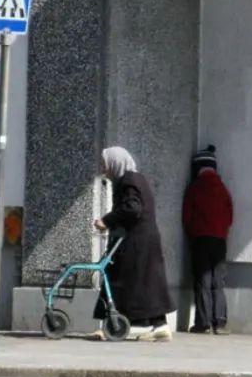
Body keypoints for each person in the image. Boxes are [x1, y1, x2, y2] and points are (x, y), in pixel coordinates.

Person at [94, 147, 175, 341]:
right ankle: (150, 325)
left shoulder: (129, 181)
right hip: (140, 241)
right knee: (142, 283)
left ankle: (117, 324)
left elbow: (132, 209)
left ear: (116, 162)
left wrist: (107, 220)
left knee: (124, 280)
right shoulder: (133, 179)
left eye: (105, 164)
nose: (104, 169)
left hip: (137, 242)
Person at [183, 145, 233, 335]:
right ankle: (220, 323)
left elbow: (187, 217)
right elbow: (230, 216)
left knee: (202, 281)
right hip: (220, 240)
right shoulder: (223, 189)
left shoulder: (195, 188)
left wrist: (191, 234)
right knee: (218, 282)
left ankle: (202, 323)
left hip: (200, 239)